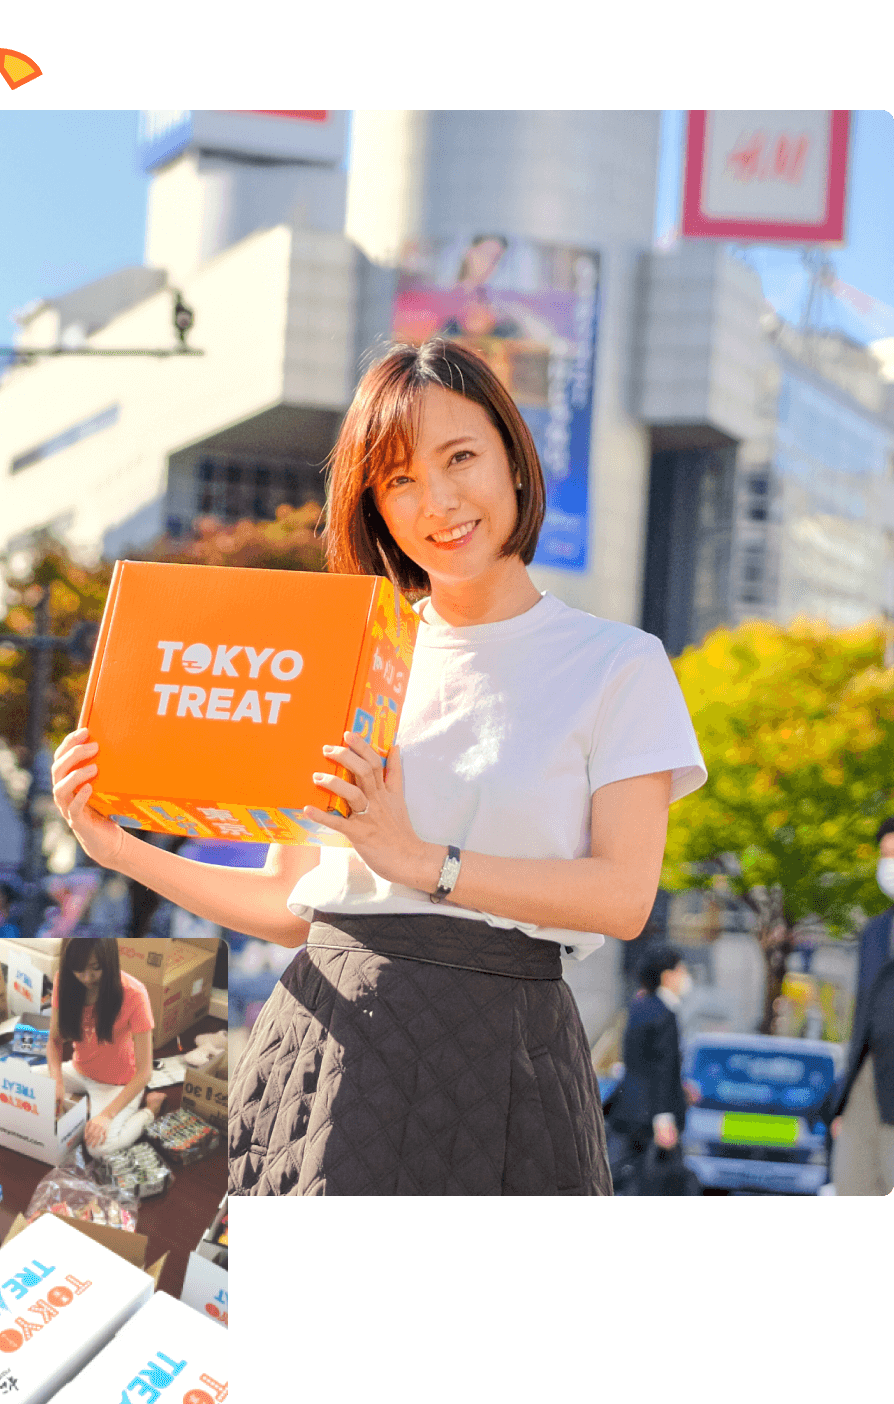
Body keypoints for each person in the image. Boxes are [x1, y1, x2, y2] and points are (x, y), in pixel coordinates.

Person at [52, 337, 708, 1196]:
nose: (437, 500)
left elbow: (623, 897)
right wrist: (119, 849)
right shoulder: (347, 654)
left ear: (515, 460)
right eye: (398, 479)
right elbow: (291, 907)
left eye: (460, 457)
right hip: (326, 1052)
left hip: (506, 1049)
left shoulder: (617, 663)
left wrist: (422, 862)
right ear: (374, 506)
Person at [823, 814, 894, 1195]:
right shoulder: (875, 932)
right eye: (885, 855)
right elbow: (862, 1018)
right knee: (853, 1184)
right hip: (867, 1085)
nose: (889, 865)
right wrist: (847, 1102)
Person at [45, 937, 167, 1159]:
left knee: (98, 1148)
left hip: (119, 1083)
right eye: (78, 970)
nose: (86, 978)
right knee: (22, 1081)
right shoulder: (64, 981)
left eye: (95, 969)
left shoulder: (135, 994)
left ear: (109, 961)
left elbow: (145, 1072)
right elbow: (54, 1041)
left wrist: (107, 1116)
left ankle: (150, 1110)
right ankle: (89, 1106)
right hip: (79, 1068)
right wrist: (57, 1081)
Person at [604, 942, 697, 1193]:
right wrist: (663, 1120)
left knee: (627, 1177)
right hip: (652, 1116)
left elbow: (641, 1062)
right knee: (653, 1183)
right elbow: (661, 1069)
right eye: (682, 970)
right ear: (667, 976)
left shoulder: (640, 1006)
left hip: (631, 1109)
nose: (686, 977)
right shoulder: (665, 1013)